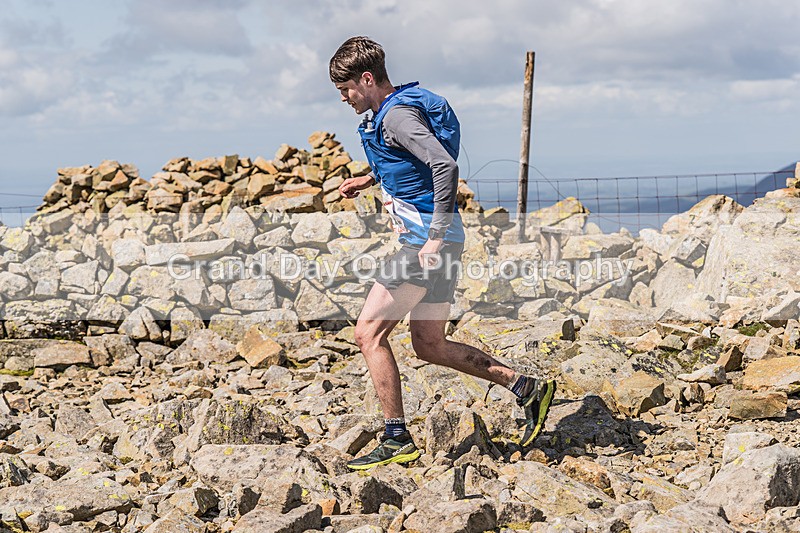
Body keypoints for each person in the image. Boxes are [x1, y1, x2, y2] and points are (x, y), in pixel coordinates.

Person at [329, 36, 555, 470]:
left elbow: (443, 165)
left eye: (346, 90)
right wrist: (369, 179)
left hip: (425, 244)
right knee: (429, 344)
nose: (344, 98)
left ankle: (396, 437)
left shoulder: (394, 117)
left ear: (368, 78)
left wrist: (431, 238)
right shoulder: (397, 110)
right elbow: (409, 162)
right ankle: (526, 387)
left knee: (367, 334)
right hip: (444, 240)